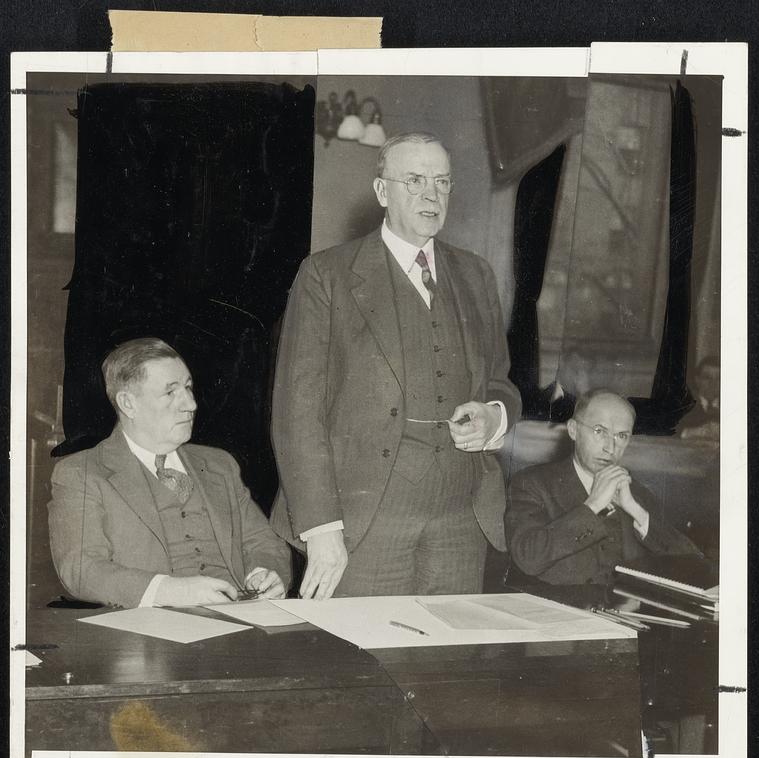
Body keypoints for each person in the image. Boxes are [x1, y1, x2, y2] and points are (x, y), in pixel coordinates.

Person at [271, 131, 522, 599]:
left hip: (460, 519)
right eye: (415, 180)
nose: (432, 194)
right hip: (364, 520)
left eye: (443, 182)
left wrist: (494, 416)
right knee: (364, 661)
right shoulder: (327, 274)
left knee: (448, 662)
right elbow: (297, 411)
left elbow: (500, 383)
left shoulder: (476, 275)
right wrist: (321, 527)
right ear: (382, 191)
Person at [49, 337, 292, 608]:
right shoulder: (81, 473)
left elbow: (265, 543)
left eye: (189, 388)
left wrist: (266, 573)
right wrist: (170, 591)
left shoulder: (219, 465)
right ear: (128, 404)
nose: (190, 404)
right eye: (170, 392)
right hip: (152, 631)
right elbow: (81, 569)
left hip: (247, 620)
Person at [505, 389, 701, 585]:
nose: (610, 447)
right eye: (599, 431)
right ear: (573, 430)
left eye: (621, 436)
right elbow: (527, 558)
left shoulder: (638, 495)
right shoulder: (533, 483)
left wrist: (637, 512)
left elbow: (696, 568)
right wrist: (592, 505)